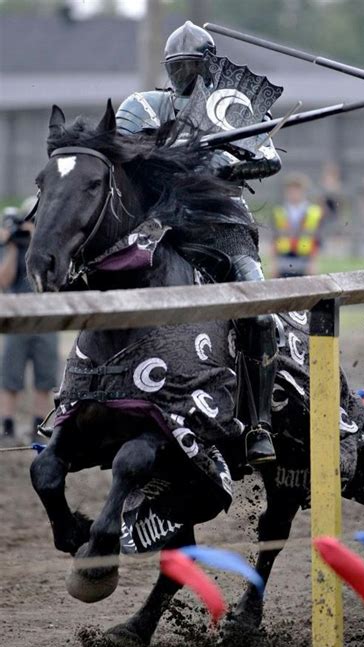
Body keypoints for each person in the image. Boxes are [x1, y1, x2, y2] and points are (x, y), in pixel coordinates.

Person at [115, 21, 282, 466]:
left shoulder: (232, 107)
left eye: (191, 65)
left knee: (262, 317)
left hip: (224, 224)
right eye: (177, 66)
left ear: (207, 66)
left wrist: (229, 164)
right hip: (164, 224)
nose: (184, 74)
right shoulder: (146, 107)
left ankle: (260, 423)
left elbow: (268, 160)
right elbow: (124, 154)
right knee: (107, 276)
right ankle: (84, 392)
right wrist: (177, 155)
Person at [0, 198, 59, 442]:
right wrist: (13, 246)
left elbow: (54, 280)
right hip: (18, 319)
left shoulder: (51, 247)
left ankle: (39, 426)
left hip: (46, 319)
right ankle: (7, 427)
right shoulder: (10, 246)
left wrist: (39, 240)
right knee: (10, 377)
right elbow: (4, 281)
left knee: (45, 378)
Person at [271, 173, 327, 278]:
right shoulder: (279, 212)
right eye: (291, 190)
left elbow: (317, 239)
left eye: (297, 190)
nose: (294, 193)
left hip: (305, 260)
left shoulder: (314, 212)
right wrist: (274, 263)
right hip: (283, 260)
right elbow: (274, 238)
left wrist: (313, 263)